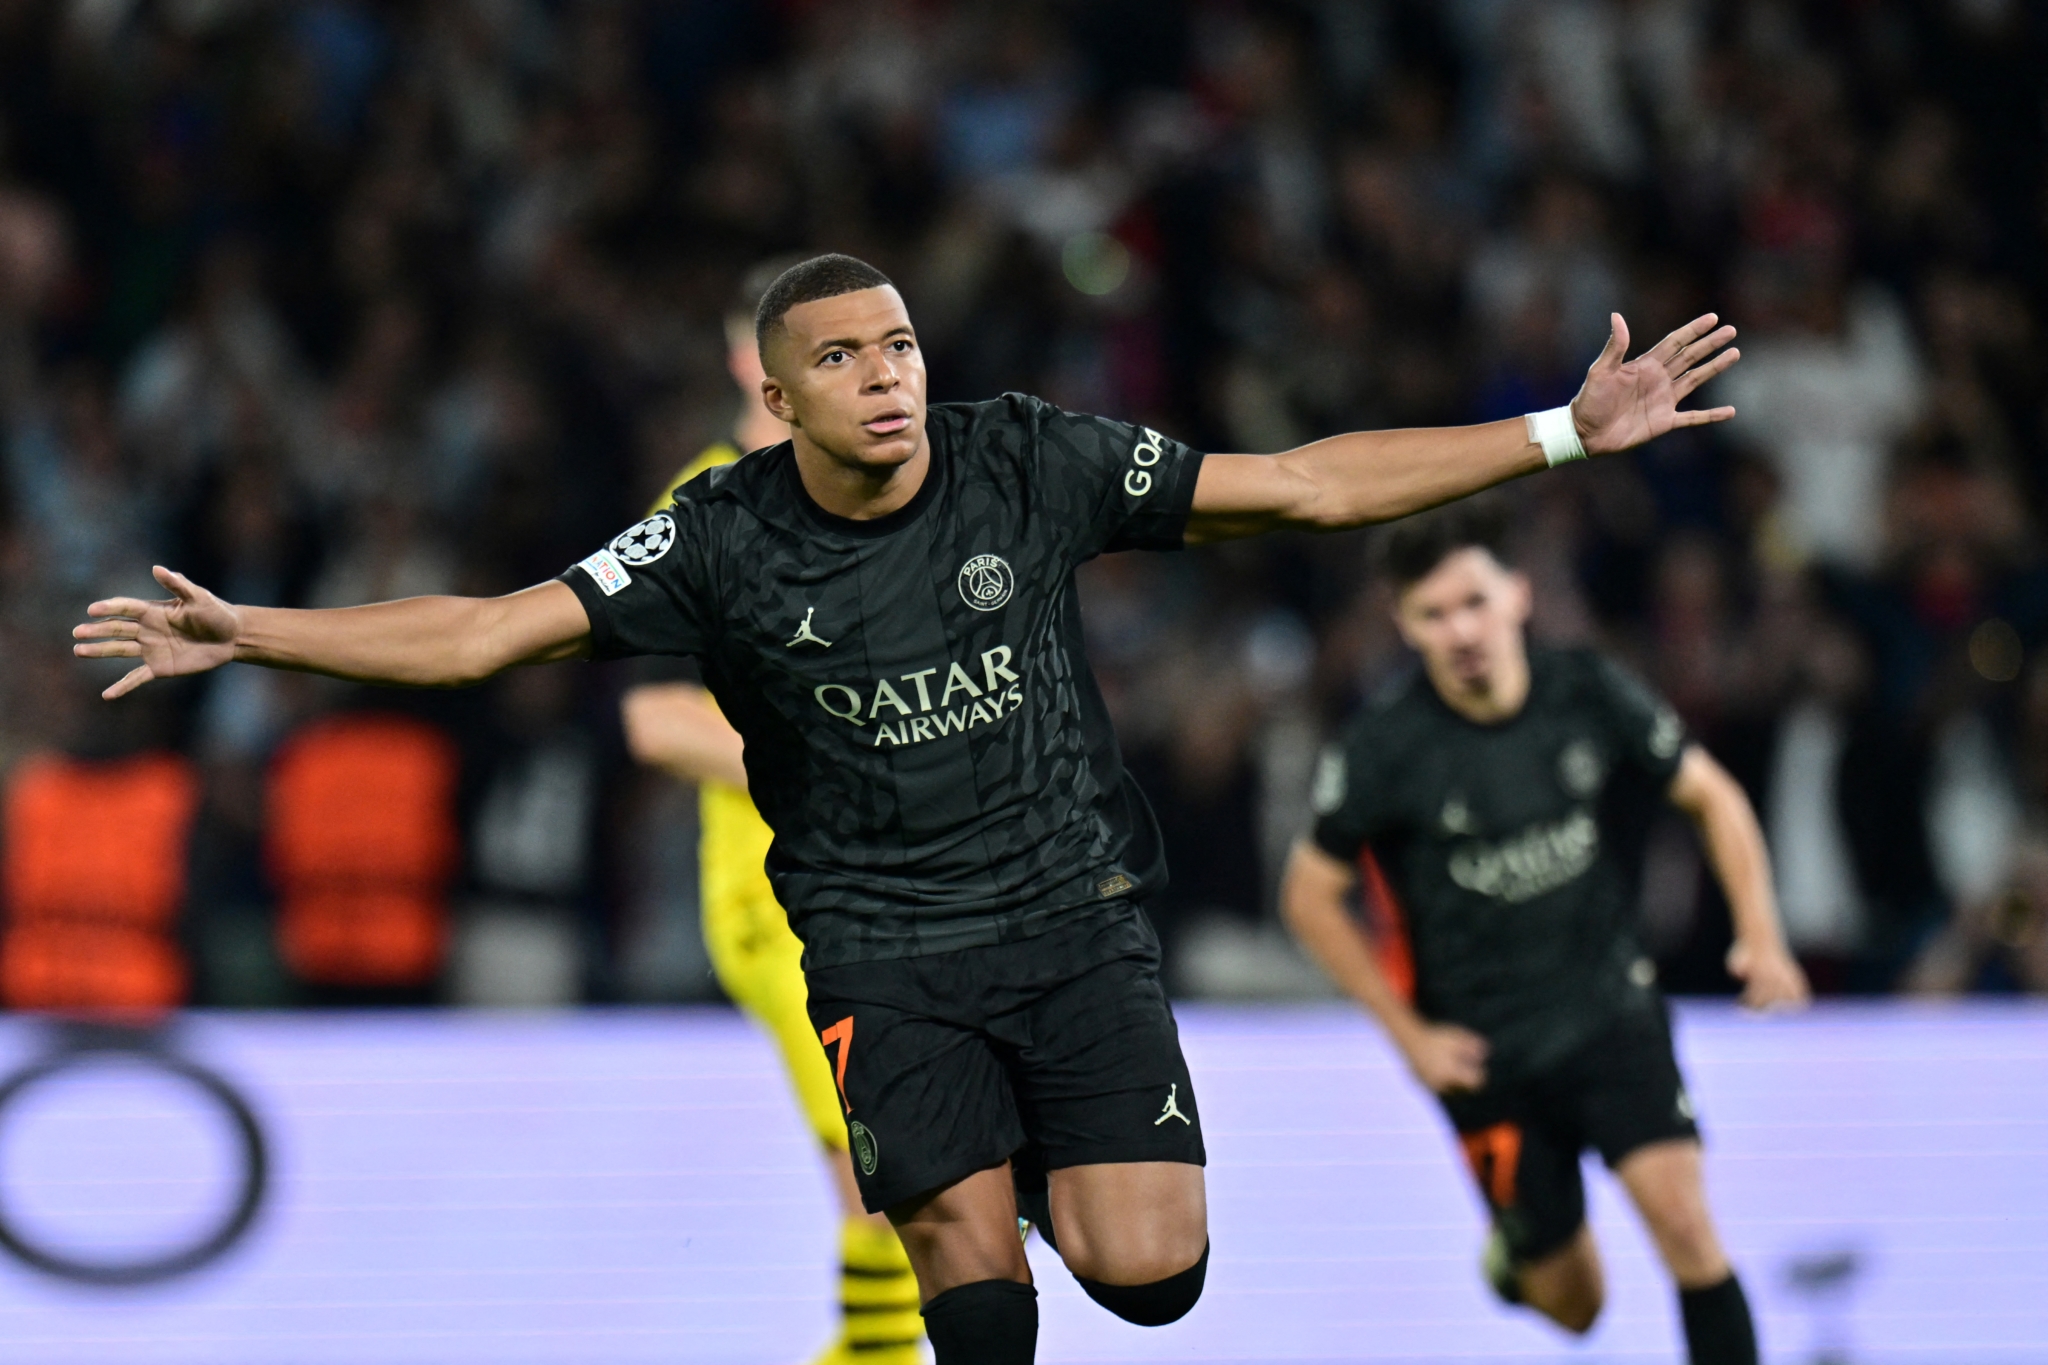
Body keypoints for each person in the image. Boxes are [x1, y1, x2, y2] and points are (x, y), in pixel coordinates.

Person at [74, 253, 1741, 1363]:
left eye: (897, 345)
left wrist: (1553, 435)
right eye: (838, 359)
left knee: (1152, 1282)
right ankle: (963, 1182)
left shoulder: (1023, 458)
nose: (882, 377)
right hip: (880, 950)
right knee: (968, 1281)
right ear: (773, 394)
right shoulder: (714, 534)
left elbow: (1300, 486)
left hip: (1072, 919)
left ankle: (1031, 1164)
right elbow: (488, 631)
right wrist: (254, 631)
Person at [1279, 500, 1808, 1365]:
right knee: (1576, 1307)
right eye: (1433, 613)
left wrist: (1761, 932)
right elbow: (1307, 895)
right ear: (1404, 625)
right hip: (1486, 1057)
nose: (1460, 630)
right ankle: (1520, 1257)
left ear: (1518, 595)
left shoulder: (1587, 689)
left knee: (1687, 1230)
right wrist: (1408, 1036)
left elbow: (1712, 794)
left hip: (1610, 1011)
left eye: (1474, 602)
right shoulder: (1385, 748)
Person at [620, 259, 924, 1365]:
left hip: (902, 893)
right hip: (781, 903)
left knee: (904, 1176)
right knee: (885, 1174)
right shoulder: (700, 510)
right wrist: (830, 767)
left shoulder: (883, 487)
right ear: (747, 362)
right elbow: (655, 719)